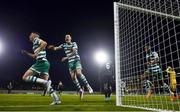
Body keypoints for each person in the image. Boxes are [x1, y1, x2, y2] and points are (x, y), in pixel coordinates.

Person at [48, 34, 93, 100]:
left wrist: (66, 57)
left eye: (68, 37)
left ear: (70, 38)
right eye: (65, 37)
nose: (67, 38)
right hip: (70, 62)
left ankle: (88, 86)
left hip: (76, 60)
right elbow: (56, 48)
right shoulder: (63, 45)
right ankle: (80, 90)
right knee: (73, 77)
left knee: (79, 73)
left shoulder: (74, 44)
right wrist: (52, 48)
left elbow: (74, 52)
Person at [21, 32, 60, 105]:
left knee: (24, 77)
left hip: (41, 62)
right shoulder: (34, 45)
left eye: (31, 34)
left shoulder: (36, 39)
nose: (29, 36)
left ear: (35, 35)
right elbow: (34, 56)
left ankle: (46, 82)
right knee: (47, 85)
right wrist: (26, 53)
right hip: (45, 63)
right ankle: (56, 99)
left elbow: (45, 43)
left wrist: (38, 51)